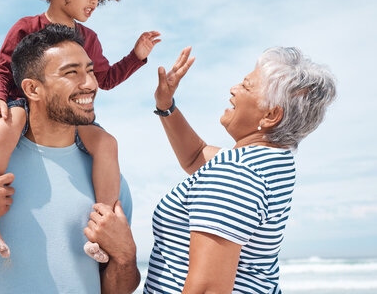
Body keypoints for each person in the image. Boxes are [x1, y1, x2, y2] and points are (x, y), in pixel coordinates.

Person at [0, 25, 140, 294]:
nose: (90, 83)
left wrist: (125, 255)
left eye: (90, 71)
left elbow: (116, 289)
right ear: (32, 89)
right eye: (71, 73)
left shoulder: (107, 175)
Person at [0, 0, 161, 260]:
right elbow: (2, 72)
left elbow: (106, 79)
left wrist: (136, 55)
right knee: (7, 123)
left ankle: (102, 228)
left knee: (106, 143)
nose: (94, 1)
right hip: (25, 106)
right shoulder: (26, 27)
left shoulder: (89, 38)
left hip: (70, 117)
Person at [139, 46, 336, 293]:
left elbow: (207, 289)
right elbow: (195, 156)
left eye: (246, 86)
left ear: (271, 115)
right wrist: (165, 106)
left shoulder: (237, 175)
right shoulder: (271, 160)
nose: (233, 89)